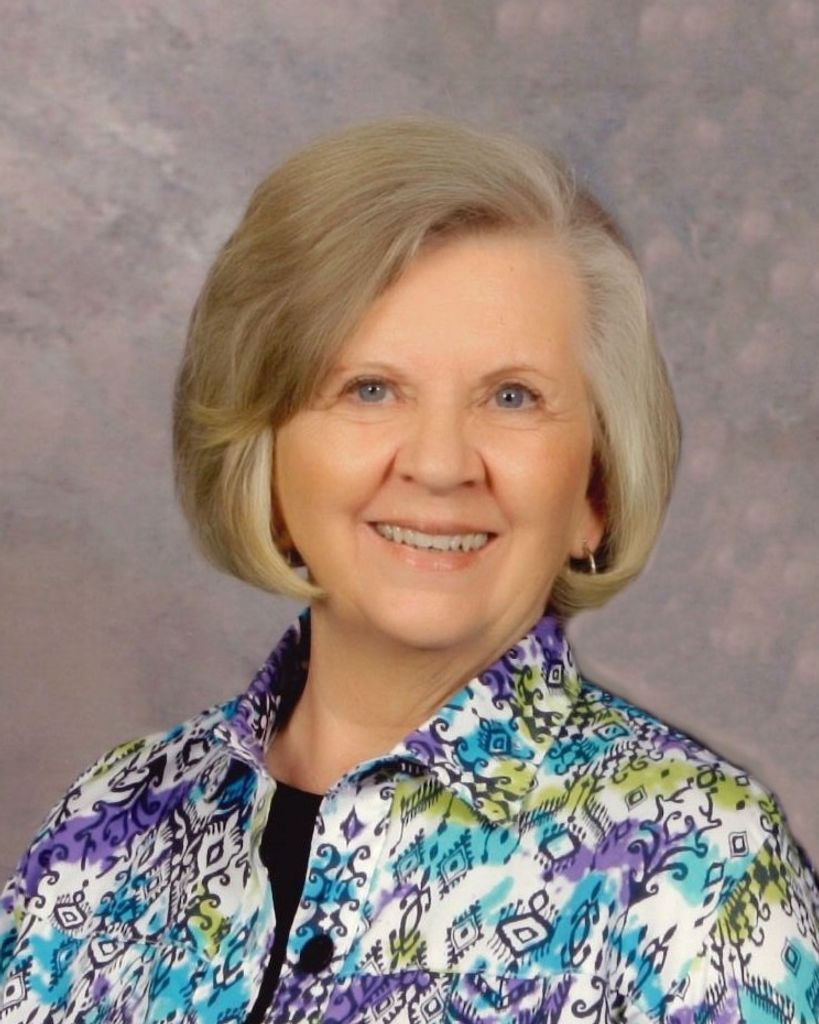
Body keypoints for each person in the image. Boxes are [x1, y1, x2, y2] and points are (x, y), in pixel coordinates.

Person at [1, 117, 817, 1024]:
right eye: (370, 389)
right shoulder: (112, 825)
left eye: (513, 396)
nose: (439, 464)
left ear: (594, 489)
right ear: (264, 459)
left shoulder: (699, 867)